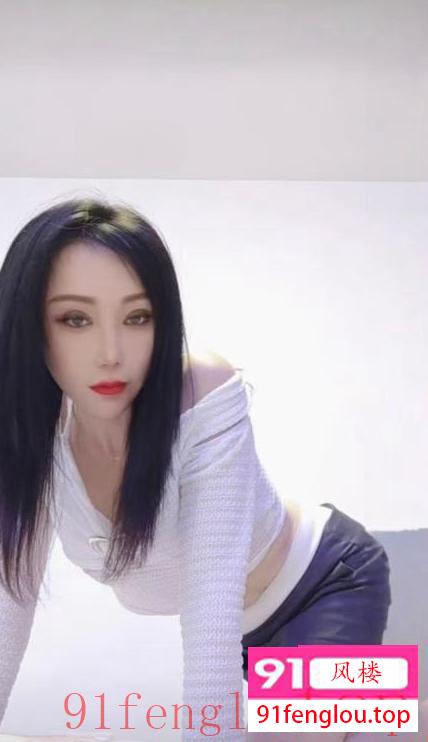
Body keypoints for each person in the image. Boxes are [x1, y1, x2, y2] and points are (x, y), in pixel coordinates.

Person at [0, 198, 392, 741]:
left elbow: (211, 612)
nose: (111, 353)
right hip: (243, 628)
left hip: (325, 581)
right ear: (30, 328)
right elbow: (8, 605)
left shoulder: (201, 395)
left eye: (137, 317)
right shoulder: (33, 441)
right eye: (75, 319)